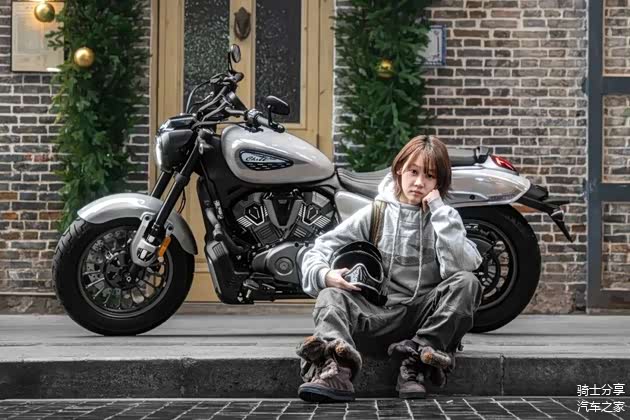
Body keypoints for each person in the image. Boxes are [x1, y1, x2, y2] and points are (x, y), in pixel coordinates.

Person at [296, 135, 483, 402]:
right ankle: (337, 370)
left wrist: (440, 212)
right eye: (413, 172)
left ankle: (415, 361)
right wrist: (325, 274)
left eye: (429, 176)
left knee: (468, 283)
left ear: (439, 182)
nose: (419, 182)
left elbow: (462, 267)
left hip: (423, 319)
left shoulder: (445, 218)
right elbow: (320, 248)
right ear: (399, 171)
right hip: (376, 317)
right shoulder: (376, 213)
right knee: (330, 296)